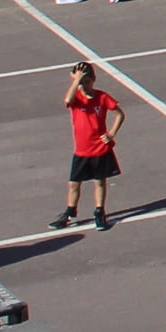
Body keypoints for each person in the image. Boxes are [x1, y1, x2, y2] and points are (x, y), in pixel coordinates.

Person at [57, 62, 122, 229]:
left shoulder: (102, 97)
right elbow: (67, 100)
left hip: (99, 148)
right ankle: (70, 212)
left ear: (93, 80)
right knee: (74, 184)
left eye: (86, 81)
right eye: (80, 82)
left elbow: (119, 114)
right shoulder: (77, 99)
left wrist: (111, 134)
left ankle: (99, 211)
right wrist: (76, 80)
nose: (83, 86)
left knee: (99, 182)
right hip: (82, 150)